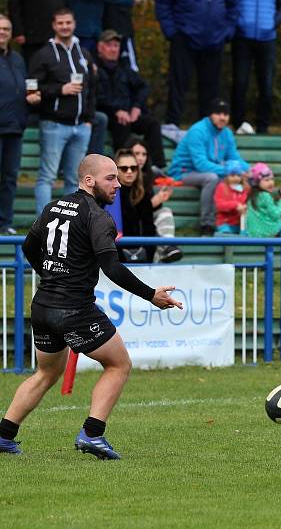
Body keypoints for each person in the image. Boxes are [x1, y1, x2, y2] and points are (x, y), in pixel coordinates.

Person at [0, 154, 183, 458]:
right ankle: (92, 434)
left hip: (44, 305)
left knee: (45, 373)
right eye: (110, 178)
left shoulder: (52, 207)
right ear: (89, 180)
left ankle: (4, 435)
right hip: (75, 309)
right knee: (119, 365)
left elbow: (29, 247)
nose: (117, 185)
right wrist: (151, 294)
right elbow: (112, 267)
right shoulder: (97, 216)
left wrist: (51, 275)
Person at [156, 0, 238, 126]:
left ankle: (206, 127)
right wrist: (172, 32)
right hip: (184, 39)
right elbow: (162, 4)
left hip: (214, 41)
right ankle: (172, 123)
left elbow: (233, 4)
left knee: (211, 87)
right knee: (179, 84)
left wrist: (227, 31)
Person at [29, 7, 95, 214]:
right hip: (53, 124)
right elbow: (32, 87)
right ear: (54, 26)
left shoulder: (83, 53)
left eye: (68, 22)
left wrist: (89, 119)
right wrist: (60, 89)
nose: (64, 26)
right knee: (47, 177)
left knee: (75, 181)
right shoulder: (43, 54)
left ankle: (70, 224)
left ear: (74, 24)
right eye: (60, 23)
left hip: (81, 126)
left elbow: (93, 87)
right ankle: (42, 224)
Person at [166, 99, 249, 236]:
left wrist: (248, 170)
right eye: (218, 113)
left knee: (249, 179)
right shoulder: (198, 130)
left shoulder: (227, 133)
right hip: (183, 172)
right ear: (211, 114)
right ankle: (207, 224)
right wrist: (230, 172)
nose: (222, 117)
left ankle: (245, 225)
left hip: (207, 172)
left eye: (226, 114)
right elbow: (201, 164)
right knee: (212, 178)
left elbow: (234, 157)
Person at [229, 0, 281, 135]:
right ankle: (238, 123)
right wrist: (236, 22)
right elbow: (228, 3)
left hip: (267, 39)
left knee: (266, 84)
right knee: (240, 83)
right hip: (242, 39)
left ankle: (263, 125)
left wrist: (274, 22)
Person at [95, 29, 166, 169]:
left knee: (152, 123)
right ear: (100, 47)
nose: (113, 49)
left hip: (129, 114)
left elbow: (143, 87)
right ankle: (124, 167)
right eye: (109, 45)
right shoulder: (94, 68)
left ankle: (157, 167)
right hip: (108, 115)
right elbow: (97, 96)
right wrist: (116, 110)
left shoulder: (124, 68)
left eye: (116, 46)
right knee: (122, 124)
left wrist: (137, 107)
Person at [0, 14, 42, 236]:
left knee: (9, 178)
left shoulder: (17, 59)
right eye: (0, 28)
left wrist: (31, 99)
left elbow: (25, 87)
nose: (3, 32)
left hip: (15, 127)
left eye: (6, 29)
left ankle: (5, 222)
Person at [127, 136, 182, 263]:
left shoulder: (148, 176)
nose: (141, 158)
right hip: (126, 224)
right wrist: (152, 203)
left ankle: (167, 246)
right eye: (136, 153)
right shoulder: (120, 176)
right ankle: (166, 247)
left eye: (144, 154)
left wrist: (159, 200)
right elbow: (127, 210)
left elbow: (147, 209)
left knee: (165, 211)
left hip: (145, 220)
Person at [114, 149, 156, 262]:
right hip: (115, 258)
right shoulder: (107, 195)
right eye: (124, 168)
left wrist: (147, 254)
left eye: (133, 168)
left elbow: (149, 229)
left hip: (141, 255)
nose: (129, 171)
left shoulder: (144, 195)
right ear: (116, 170)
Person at [246, 162, 281, 237]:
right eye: (267, 180)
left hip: (253, 233)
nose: (271, 183)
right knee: (279, 222)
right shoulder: (265, 196)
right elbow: (276, 214)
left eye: (272, 179)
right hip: (266, 234)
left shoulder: (253, 194)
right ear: (257, 182)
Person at [214, 165, 249, 235]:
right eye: (232, 175)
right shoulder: (222, 187)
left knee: (245, 218)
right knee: (225, 234)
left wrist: (245, 207)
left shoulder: (245, 188)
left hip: (240, 221)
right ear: (227, 176)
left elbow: (248, 201)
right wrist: (235, 205)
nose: (236, 178)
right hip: (224, 222)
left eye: (238, 175)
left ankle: (243, 236)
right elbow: (219, 205)